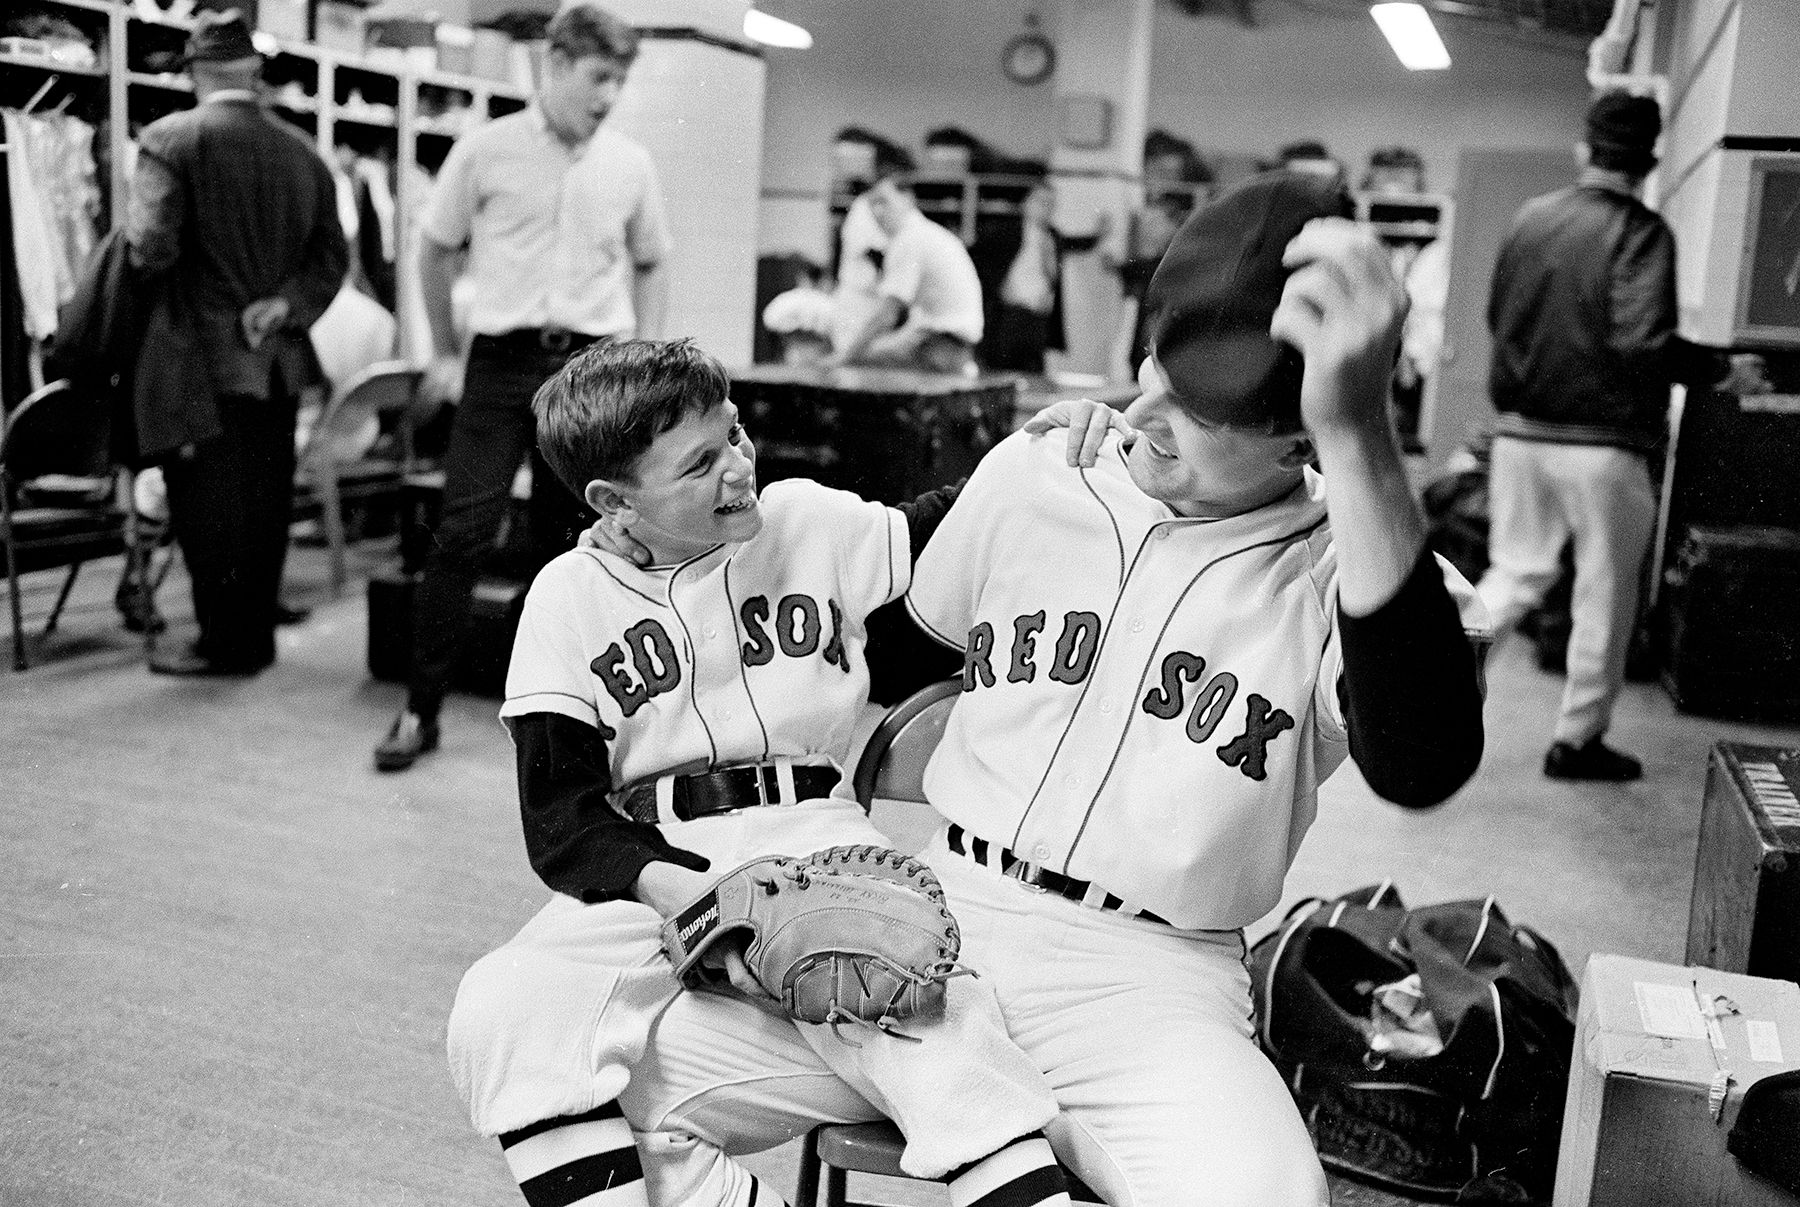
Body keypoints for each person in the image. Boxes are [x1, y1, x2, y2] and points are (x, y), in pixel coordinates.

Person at [583, 172, 1489, 1205]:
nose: (1143, 412)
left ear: (1300, 438)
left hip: (1149, 982)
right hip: (935, 919)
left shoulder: (1356, 560)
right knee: (603, 1077)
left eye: (1193, 412)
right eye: (1147, 369)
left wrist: (1363, 434)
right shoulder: (1046, 471)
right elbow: (876, 650)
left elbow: (1422, 761)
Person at [444, 338, 1082, 1207]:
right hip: (656, 859)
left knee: (918, 1010)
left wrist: (1039, 449)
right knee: (500, 1006)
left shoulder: (803, 521)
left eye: (735, 433)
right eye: (699, 463)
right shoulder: (568, 595)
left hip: (811, 831)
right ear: (612, 501)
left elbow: (943, 521)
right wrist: (696, 902)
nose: (739, 466)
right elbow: (562, 819)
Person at [374, 2, 673, 771]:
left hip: (589, 370)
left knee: (570, 545)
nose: (609, 95)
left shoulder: (629, 165)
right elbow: (435, 251)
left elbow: (650, 259)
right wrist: (441, 348)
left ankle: (567, 727)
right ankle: (420, 709)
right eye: (599, 76)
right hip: (500, 364)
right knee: (461, 532)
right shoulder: (486, 149)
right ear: (556, 64)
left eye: (621, 81)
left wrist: (640, 356)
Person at [1478, 91, 1769, 781]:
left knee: (1513, 575)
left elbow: (1498, 314)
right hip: (1601, 447)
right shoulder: (1642, 231)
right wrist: (1723, 368)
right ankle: (1575, 742)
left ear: (1586, 151)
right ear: (1650, 162)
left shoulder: (1530, 219)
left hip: (1519, 434)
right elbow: (1643, 342)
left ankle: (1416, 701)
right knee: (1604, 595)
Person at [127, 8, 348, 676]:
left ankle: (222, 644)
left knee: (207, 507)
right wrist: (284, 304)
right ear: (253, 72)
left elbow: (150, 246)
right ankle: (253, 639)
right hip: (276, 361)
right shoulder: (304, 153)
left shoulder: (170, 140)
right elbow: (332, 259)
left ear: (195, 70)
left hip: (199, 361)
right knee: (264, 503)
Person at [829, 171, 985, 374]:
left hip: (941, 345)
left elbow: (887, 315)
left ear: (908, 200)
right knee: (867, 352)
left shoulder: (909, 239)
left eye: (884, 202)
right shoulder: (925, 233)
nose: (878, 212)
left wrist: (845, 357)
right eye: (873, 204)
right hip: (951, 343)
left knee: (858, 361)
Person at [981, 181, 1107, 375]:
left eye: (1050, 204)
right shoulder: (1007, 232)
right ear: (1026, 203)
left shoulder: (1052, 236)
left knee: (1034, 371)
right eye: (1041, 201)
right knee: (1001, 370)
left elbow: (1075, 244)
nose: (1045, 208)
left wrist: (1098, 235)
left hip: (1038, 318)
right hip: (1009, 314)